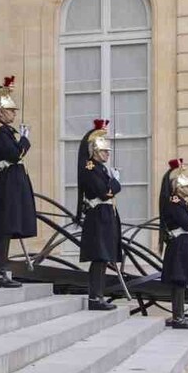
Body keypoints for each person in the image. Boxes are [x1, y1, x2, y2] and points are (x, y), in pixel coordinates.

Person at [0, 76, 37, 287]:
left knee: (9, 225)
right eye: (11, 110)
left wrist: (20, 142)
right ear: (0, 112)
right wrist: (24, 141)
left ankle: (2, 270)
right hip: (7, 181)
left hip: (14, 180)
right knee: (3, 227)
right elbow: (14, 154)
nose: (14, 113)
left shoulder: (5, 130)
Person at [76, 119, 121, 311]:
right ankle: (95, 297)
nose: (106, 154)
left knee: (104, 258)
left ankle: (99, 295)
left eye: (108, 151)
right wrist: (116, 182)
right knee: (99, 257)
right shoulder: (90, 168)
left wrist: (112, 183)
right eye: (103, 151)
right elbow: (104, 192)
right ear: (94, 151)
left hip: (106, 215)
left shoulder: (101, 168)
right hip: (98, 216)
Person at [160, 158, 188, 330]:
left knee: (182, 281)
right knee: (179, 280)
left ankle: (179, 315)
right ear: (178, 188)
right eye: (186, 187)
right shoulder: (175, 202)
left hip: (183, 243)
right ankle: (178, 317)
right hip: (179, 244)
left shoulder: (181, 202)